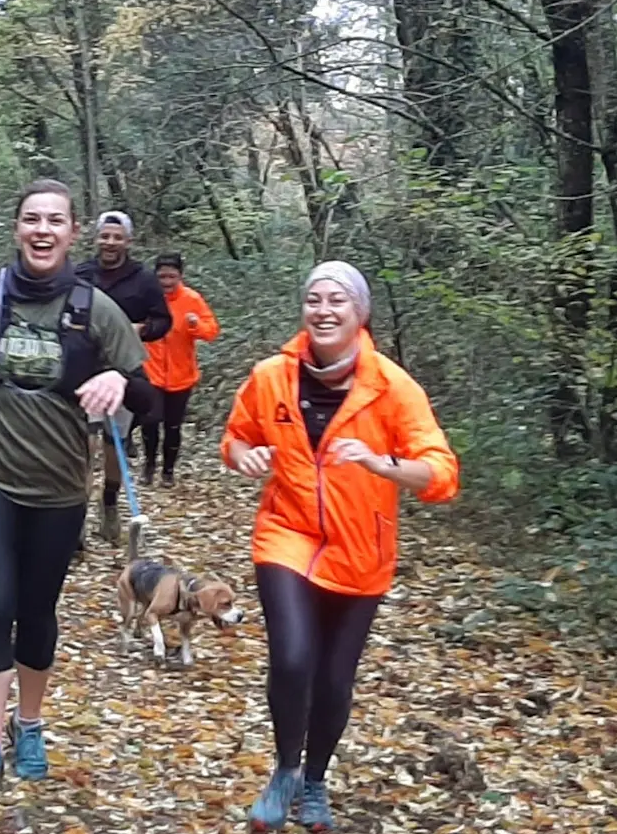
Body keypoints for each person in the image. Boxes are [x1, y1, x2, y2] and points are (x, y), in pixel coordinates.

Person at [0, 179, 159, 789]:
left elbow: (148, 395)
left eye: (55, 221)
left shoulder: (97, 310)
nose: (43, 230)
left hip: (59, 485)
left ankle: (31, 722)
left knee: (37, 608)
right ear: (17, 228)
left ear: (73, 233)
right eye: (32, 219)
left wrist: (120, 386)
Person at [220, 261, 460, 831]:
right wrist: (243, 456)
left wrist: (386, 465)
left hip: (361, 550)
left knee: (333, 678)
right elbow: (236, 437)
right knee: (293, 656)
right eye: (313, 300)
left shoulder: (393, 388)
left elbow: (442, 473)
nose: (323, 311)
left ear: (361, 314)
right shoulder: (272, 375)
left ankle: (315, 781)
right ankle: (283, 770)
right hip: (288, 532)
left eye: (337, 302)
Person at [75, 210, 171, 544]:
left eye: (117, 237)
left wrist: (141, 329)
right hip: (84, 370)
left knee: (113, 444)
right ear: (96, 238)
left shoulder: (143, 279)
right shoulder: (80, 273)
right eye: (105, 236)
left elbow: (164, 321)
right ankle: (76, 518)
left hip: (125, 372)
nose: (110, 243)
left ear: (128, 242)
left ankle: (110, 503)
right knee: (82, 445)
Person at [141, 253, 219, 488]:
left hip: (181, 375)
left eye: (171, 276)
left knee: (173, 426)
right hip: (151, 371)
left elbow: (211, 331)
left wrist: (195, 325)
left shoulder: (191, 299)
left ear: (180, 276)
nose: (166, 281)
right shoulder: (147, 297)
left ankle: (168, 471)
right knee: (151, 421)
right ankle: (149, 466)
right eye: (162, 276)